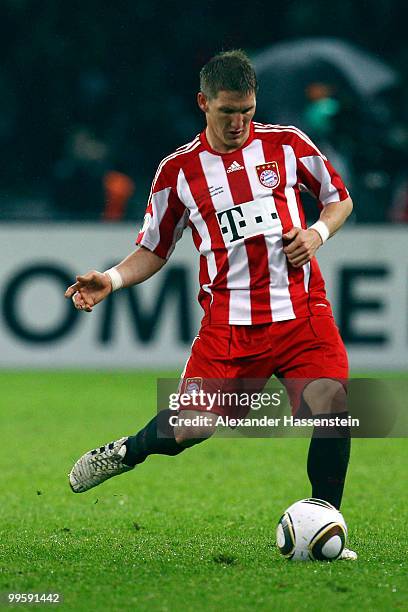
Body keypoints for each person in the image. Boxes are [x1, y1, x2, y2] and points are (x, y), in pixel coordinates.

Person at [65, 50, 356, 560]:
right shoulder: (178, 171)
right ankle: (125, 452)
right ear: (203, 103)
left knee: (331, 410)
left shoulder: (287, 145)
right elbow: (154, 249)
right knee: (187, 429)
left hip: (302, 314)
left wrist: (316, 232)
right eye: (227, 112)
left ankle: (324, 528)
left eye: (246, 110)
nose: (239, 122)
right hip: (230, 329)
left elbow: (339, 198)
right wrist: (110, 280)